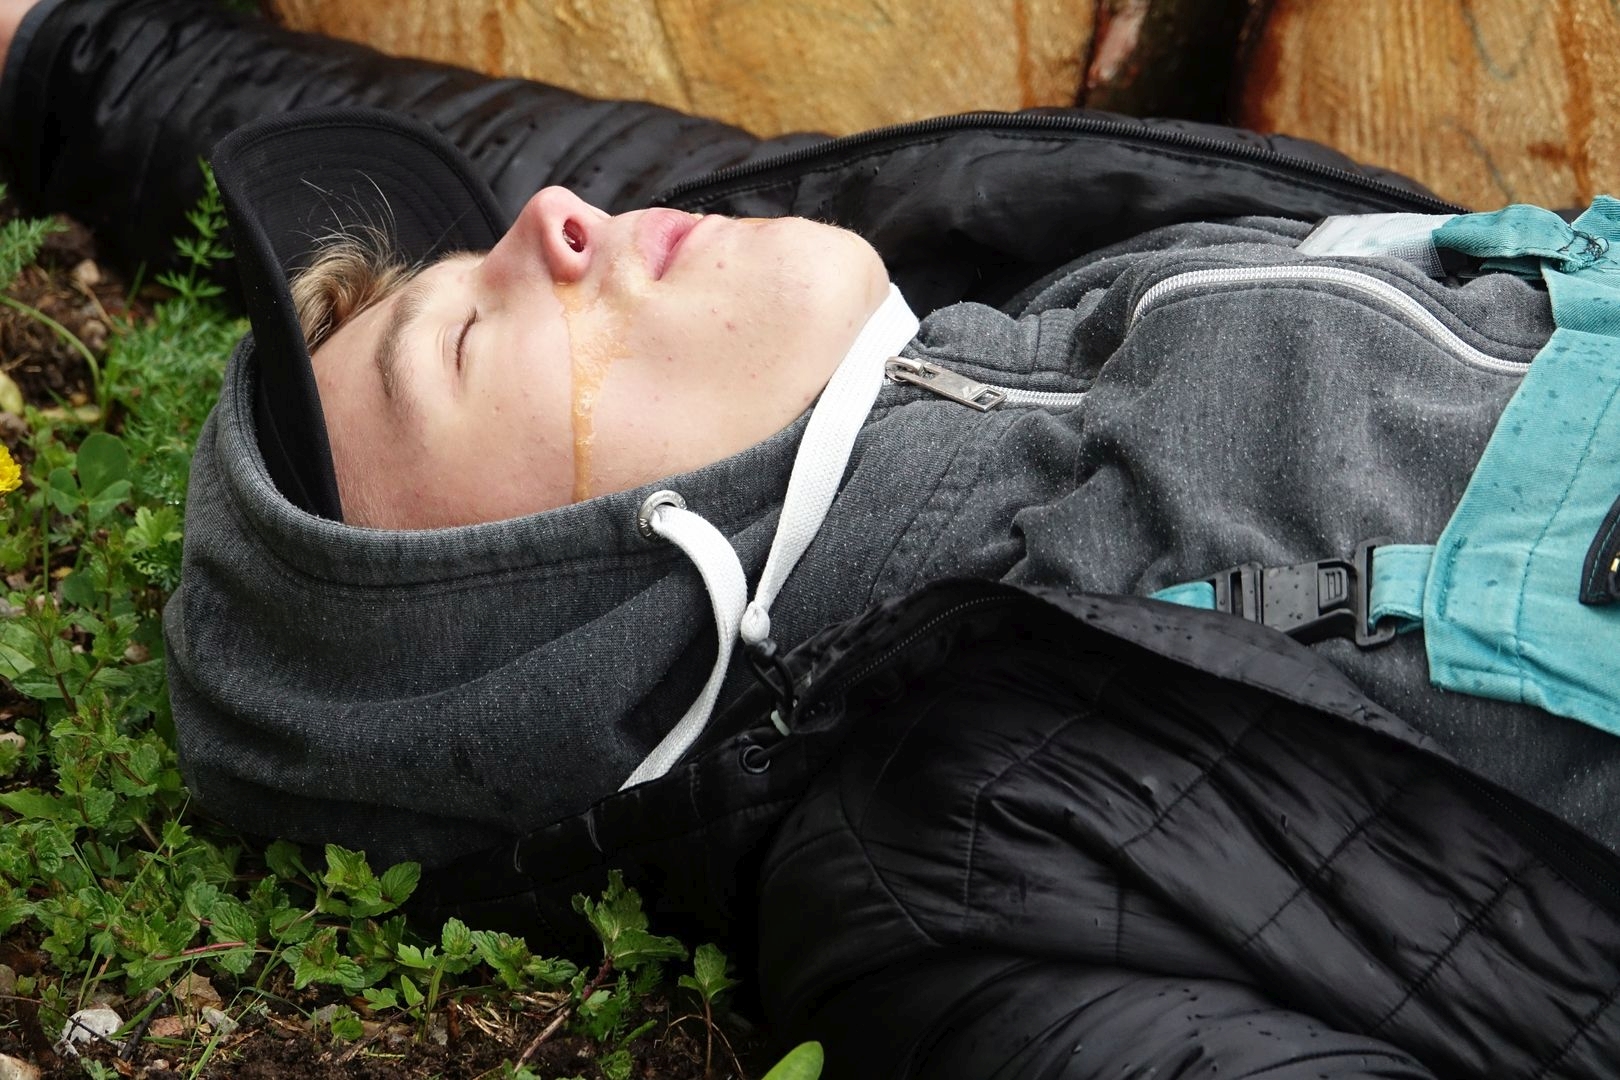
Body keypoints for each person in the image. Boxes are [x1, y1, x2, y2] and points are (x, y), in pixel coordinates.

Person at [5, 2, 1619, 1076]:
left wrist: (65, 53)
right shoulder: (961, 875)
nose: (552, 217)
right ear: (534, 629)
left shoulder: (1006, 303)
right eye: (473, 337)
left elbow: (528, 144)